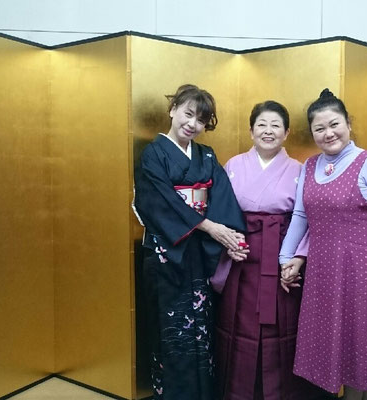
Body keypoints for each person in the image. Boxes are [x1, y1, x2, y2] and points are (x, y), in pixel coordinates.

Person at [278, 89, 367, 400]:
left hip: (361, 268)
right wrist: (285, 257)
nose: (328, 133)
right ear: (312, 133)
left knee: (358, 336)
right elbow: (301, 214)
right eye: (319, 128)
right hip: (322, 268)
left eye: (334, 124)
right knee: (331, 335)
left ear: (348, 124)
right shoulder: (310, 165)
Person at [133, 84, 247, 400]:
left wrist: (231, 237)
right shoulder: (153, 154)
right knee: (171, 328)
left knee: (202, 324)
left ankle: (201, 392)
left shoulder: (206, 155)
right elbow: (158, 201)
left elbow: (222, 196)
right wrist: (209, 227)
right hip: (166, 251)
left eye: (201, 120)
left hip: (198, 251)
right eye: (188, 113)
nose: (192, 124)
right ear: (173, 110)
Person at [213, 101, 324, 400]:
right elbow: (220, 210)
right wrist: (228, 242)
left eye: (276, 125)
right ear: (251, 131)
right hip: (241, 253)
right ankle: (237, 392)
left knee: (282, 321)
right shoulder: (234, 165)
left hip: (283, 253)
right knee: (238, 319)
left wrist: (297, 258)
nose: (268, 131)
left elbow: (309, 218)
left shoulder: (300, 170)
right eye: (261, 124)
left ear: (286, 133)